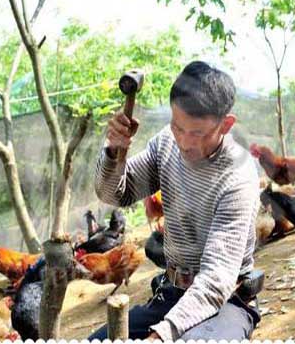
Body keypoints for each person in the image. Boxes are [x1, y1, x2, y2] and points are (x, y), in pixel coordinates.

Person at [90, 61, 261, 341]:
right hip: (172, 294)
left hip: (227, 301)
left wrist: (161, 336)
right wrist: (113, 152)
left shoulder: (237, 176)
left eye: (197, 133)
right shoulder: (166, 144)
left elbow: (216, 279)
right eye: (177, 127)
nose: (184, 142)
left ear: (226, 124)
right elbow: (114, 194)